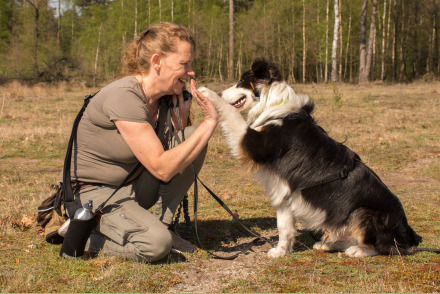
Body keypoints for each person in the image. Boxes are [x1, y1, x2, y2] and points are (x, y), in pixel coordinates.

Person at [66, 22, 219, 262]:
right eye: (184, 64)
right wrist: (209, 122)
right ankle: (83, 233)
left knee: (190, 138)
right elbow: (162, 167)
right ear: (157, 61)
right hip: (97, 193)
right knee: (156, 246)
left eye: (191, 64)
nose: (191, 71)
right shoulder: (124, 95)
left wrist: (181, 122)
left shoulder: (166, 99)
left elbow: (172, 153)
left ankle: (164, 225)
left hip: (134, 183)